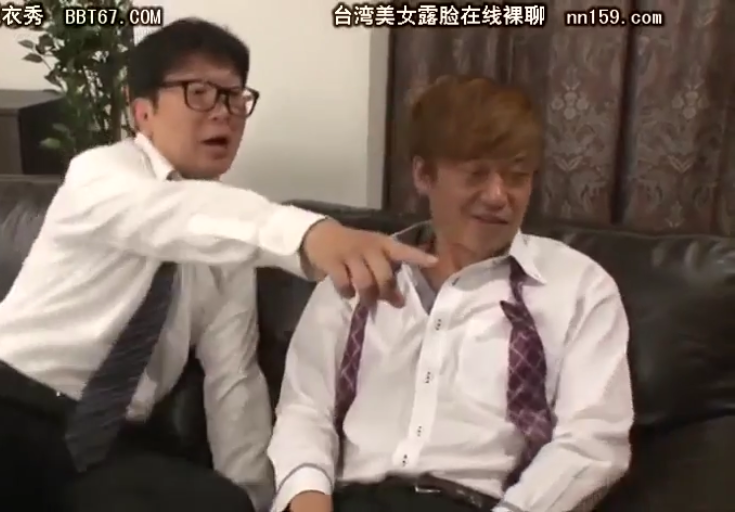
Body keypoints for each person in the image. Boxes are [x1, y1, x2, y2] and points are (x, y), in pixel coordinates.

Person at [0, 18, 437, 512]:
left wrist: (253, 496)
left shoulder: (228, 246)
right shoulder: (102, 176)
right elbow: (168, 214)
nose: (223, 112)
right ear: (142, 111)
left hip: (101, 448)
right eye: (200, 92)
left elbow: (233, 381)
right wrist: (311, 232)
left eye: (235, 97)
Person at [268, 75, 634, 512]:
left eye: (517, 176)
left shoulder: (578, 287)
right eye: (476, 174)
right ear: (424, 174)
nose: (498, 196)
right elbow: (304, 409)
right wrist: (309, 501)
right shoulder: (356, 271)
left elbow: (592, 443)